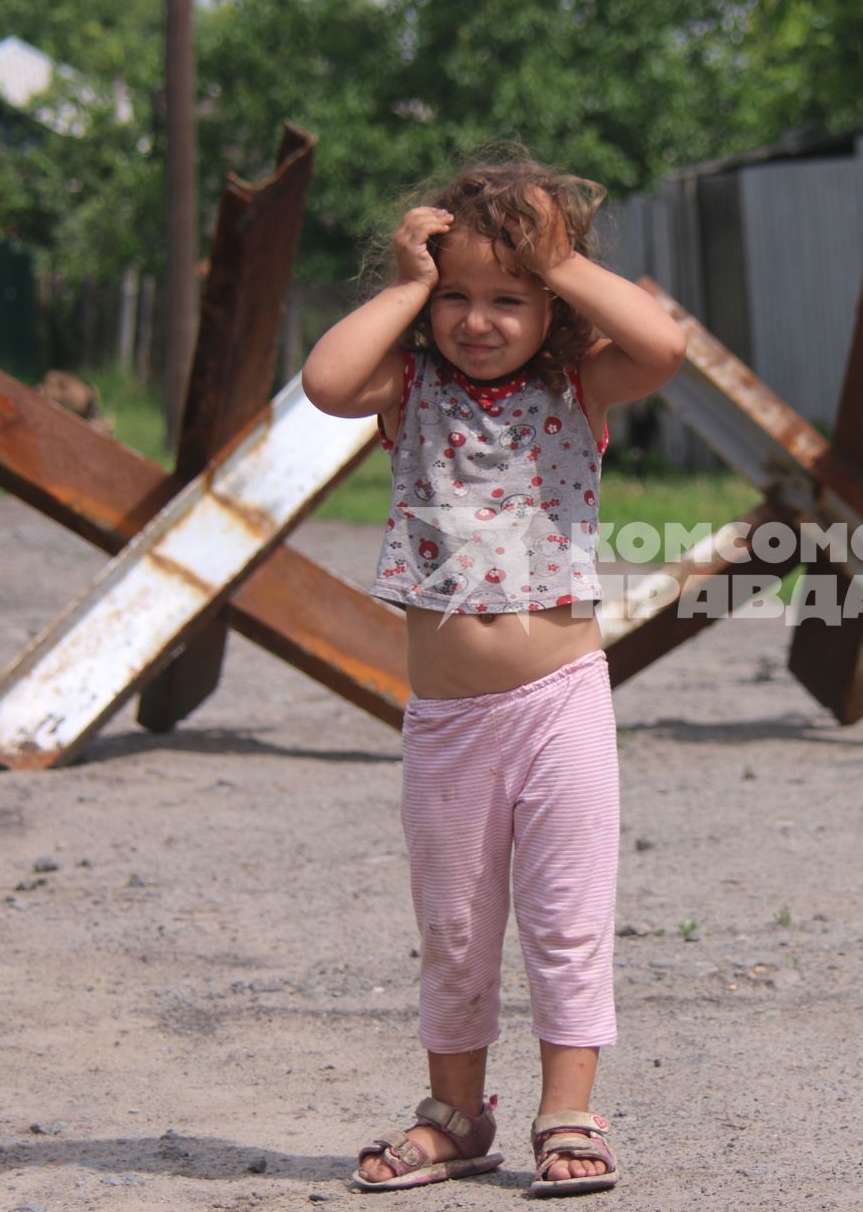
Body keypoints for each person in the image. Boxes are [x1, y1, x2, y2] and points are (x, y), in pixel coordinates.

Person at [302, 145, 685, 1198]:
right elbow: (325, 379)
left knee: (566, 914)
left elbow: (662, 340)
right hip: (449, 720)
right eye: (458, 297)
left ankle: (570, 1111)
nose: (478, 319)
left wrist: (554, 257)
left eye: (507, 297)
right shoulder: (408, 386)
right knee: (457, 928)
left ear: (550, 302)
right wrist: (407, 281)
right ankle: (456, 1114)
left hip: (561, 699)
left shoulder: (578, 382)